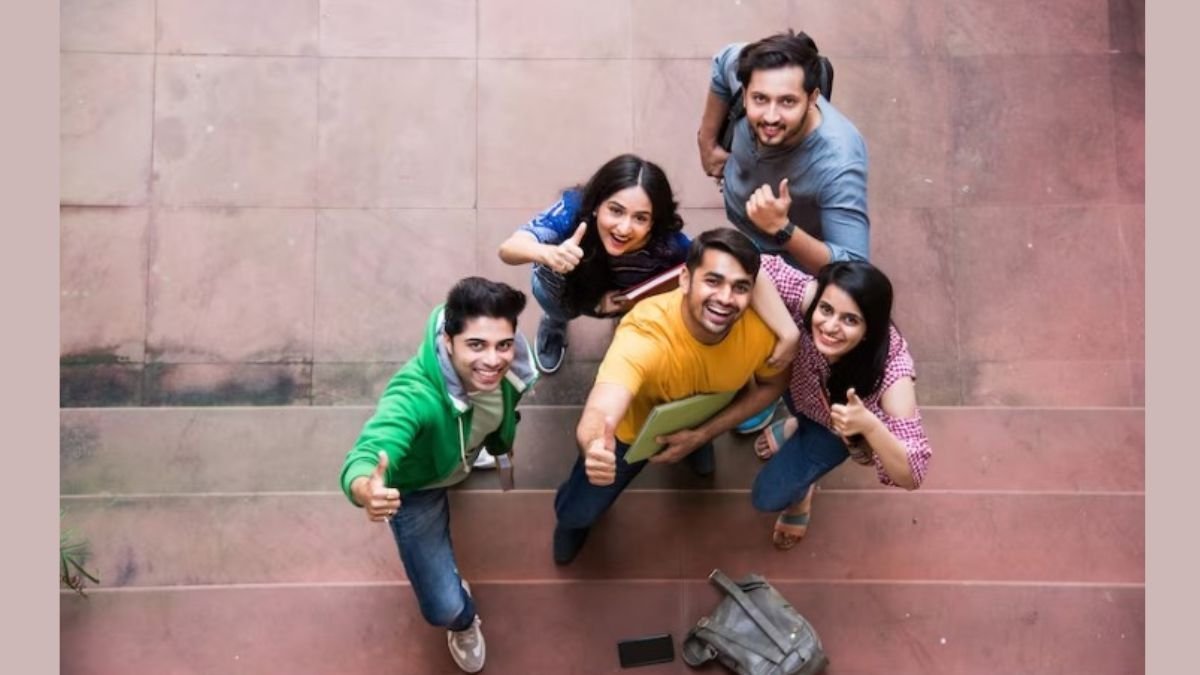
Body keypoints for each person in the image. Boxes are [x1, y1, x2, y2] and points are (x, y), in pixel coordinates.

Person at [552, 229, 794, 565]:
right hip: (630, 435)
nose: (726, 298)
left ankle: (693, 448)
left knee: (700, 457)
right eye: (713, 281)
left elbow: (773, 385)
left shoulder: (762, 332)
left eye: (740, 287)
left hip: (703, 415)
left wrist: (703, 434)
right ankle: (573, 521)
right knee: (581, 509)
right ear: (685, 280)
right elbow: (603, 405)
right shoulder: (645, 332)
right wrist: (594, 446)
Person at [338, 277, 538, 674]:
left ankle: (468, 457)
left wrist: (498, 444)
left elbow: (504, 407)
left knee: (471, 445)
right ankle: (463, 622)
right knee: (443, 606)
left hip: (460, 450)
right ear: (448, 341)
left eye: (503, 345)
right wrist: (366, 488)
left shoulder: (513, 363)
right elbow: (368, 452)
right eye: (476, 345)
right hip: (418, 488)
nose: (493, 361)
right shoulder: (414, 395)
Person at [696, 29, 871, 434]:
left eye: (787, 102)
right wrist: (707, 141)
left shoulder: (838, 162)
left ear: (813, 98)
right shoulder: (746, 64)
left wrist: (782, 229)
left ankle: (766, 385)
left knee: (773, 325)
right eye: (759, 99)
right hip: (743, 215)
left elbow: (853, 268)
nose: (770, 116)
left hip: (786, 251)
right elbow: (722, 64)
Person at [497, 153, 798, 376]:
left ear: (655, 221)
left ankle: (621, 320)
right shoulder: (573, 211)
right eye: (616, 210)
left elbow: (743, 263)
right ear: (597, 204)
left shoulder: (668, 245)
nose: (624, 228)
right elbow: (509, 249)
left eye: (640, 218)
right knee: (558, 308)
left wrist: (789, 333)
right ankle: (555, 323)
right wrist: (547, 254)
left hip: (625, 299)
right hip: (564, 291)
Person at [752, 256, 933, 550]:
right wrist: (789, 334)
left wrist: (869, 426)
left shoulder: (892, 371)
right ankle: (798, 426)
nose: (830, 327)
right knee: (799, 411)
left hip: (835, 432)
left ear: (870, 329)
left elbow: (912, 474)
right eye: (826, 310)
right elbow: (751, 262)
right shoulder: (814, 298)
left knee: (766, 497)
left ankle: (802, 493)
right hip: (797, 391)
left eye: (850, 320)